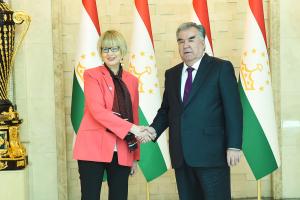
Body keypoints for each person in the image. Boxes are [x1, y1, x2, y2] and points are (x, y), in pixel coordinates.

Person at [146, 22, 243, 199]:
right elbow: (167, 110)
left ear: (203, 42)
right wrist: (153, 130)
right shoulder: (172, 74)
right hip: (181, 155)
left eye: (191, 39)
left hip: (212, 154)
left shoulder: (221, 68)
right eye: (181, 41)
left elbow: (234, 109)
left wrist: (234, 145)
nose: (186, 45)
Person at [73, 30, 153, 200]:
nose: (110, 54)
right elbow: (97, 111)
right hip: (92, 147)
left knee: (119, 196)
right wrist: (133, 128)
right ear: (101, 52)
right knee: (90, 196)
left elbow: (134, 116)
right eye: (106, 49)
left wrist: (135, 157)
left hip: (123, 148)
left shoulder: (132, 80)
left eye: (114, 48)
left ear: (122, 50)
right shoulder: (92, 75)